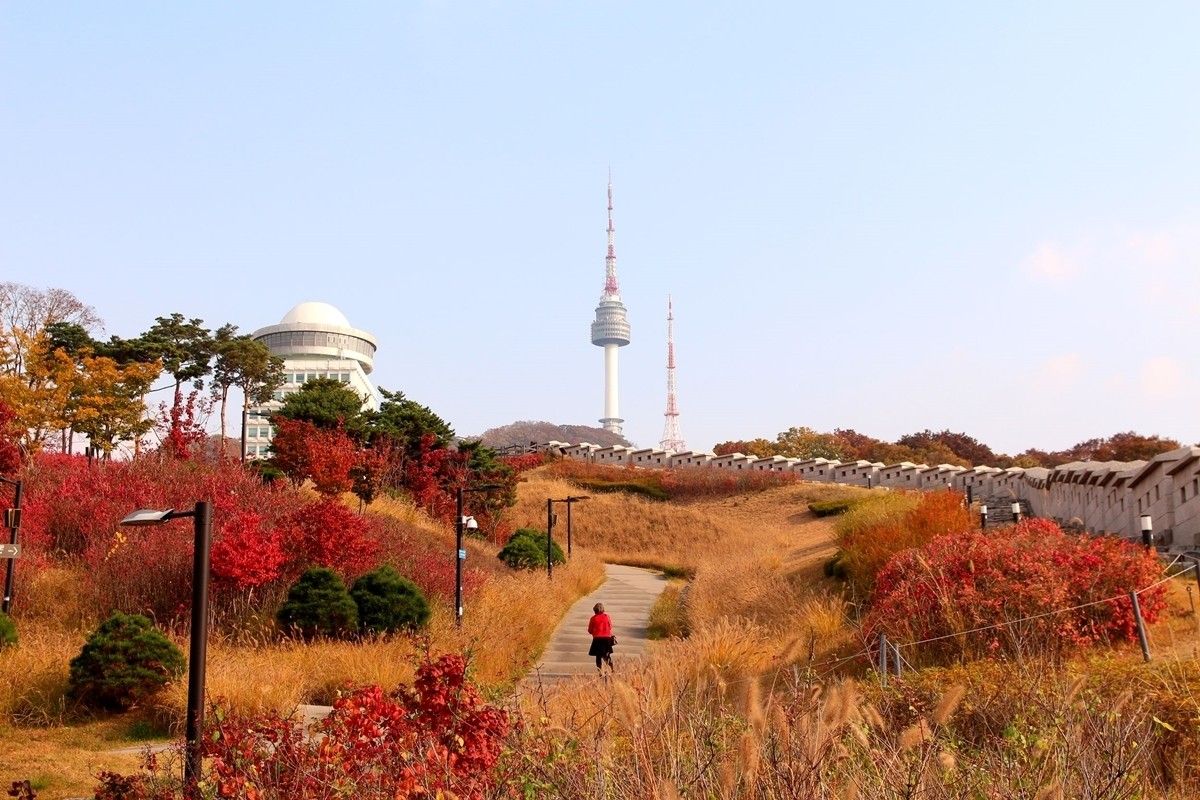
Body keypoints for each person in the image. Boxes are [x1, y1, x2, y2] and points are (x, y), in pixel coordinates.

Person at [587, 602, 615, 673]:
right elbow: (610, 626)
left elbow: (589, 630)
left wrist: (594, 632)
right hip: (607, 639)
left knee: (598, 657)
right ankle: (612, 669)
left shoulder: (593, 618)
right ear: (603, 609)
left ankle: (600, 672)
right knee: (607, 656)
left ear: (595, 610)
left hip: (597, 639)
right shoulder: (607, 616)